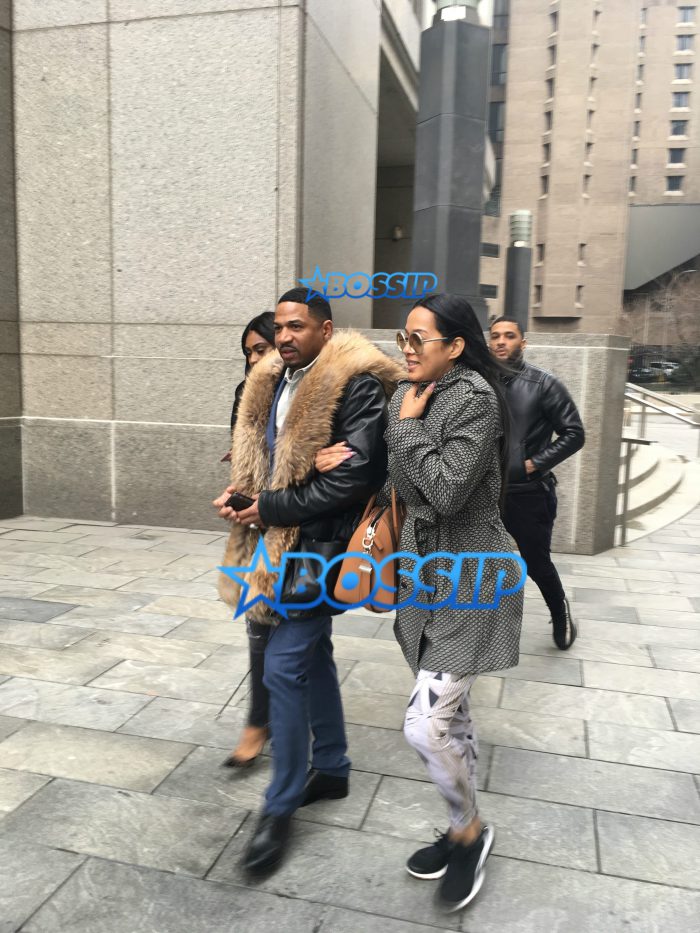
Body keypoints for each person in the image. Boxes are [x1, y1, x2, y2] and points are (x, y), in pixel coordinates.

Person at [213, 287, 404, 875]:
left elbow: (354, 478)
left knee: (282, 668)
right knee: (312, 658)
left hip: (321, 549)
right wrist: (244, 496)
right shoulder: (270, 380)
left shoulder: (356, 385)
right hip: (276, 545)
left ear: (326, 330)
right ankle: (334, 768)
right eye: (280, 327)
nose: (285, 336)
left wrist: (269, 507)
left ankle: (281, 805)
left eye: (297, 326)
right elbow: (272, 462)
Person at [386, 294, 523, 913]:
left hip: (473, 576)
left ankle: (468, 831)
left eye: (419, 339)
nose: (407, 349)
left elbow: (443, 492)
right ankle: (463, 824)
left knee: (425, 724)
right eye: (404, 337)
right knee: (452, 715)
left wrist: (407, 428)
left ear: (456, 346)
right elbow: (402, 484)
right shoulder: (409, 393)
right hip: (424, 571)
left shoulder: (474, 398)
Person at [488, 316, 585, 650]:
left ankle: (559, 612)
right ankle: (478, 625)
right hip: (482, 491)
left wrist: (532, 464)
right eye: (495, 336)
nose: (501, 341)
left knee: (536, 562)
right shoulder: (477, 382)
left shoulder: (544, 384)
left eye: (509, 336)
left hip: (526, 493)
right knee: (478, 560)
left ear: (523, 342)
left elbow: (574, 433)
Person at [221, 312, 275, 769]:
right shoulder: (247, 391)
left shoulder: (310, 389)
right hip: (258, 523)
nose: (255, 359)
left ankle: (295, 721)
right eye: (249, 352)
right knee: (257, 620)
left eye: (261, 348)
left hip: (302, 522)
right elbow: (244, 455)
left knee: (306, 632)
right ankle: (259, 720)